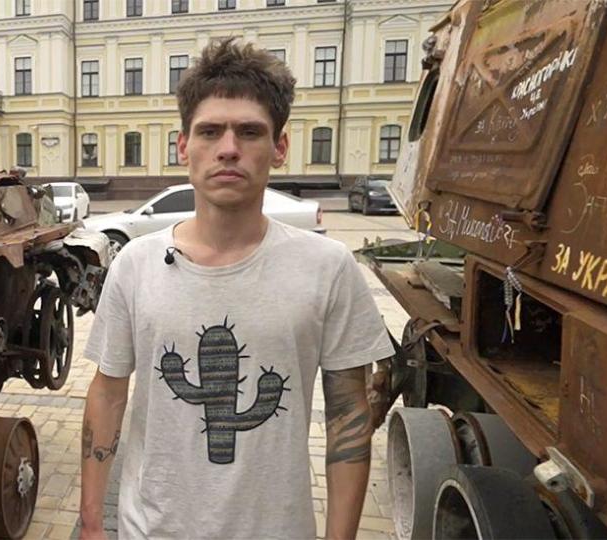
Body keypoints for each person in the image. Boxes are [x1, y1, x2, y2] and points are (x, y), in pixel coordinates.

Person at [79, 37, 394, 540]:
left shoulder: (328, 267)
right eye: (209, 131)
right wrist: (93, 524)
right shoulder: (135, 264)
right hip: (151, 530)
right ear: (183, 147)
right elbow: (108, 393)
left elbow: (348, 416)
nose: (229, 148)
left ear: (280, 146)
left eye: (250, 131)